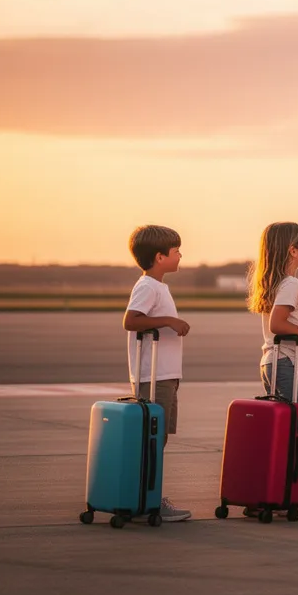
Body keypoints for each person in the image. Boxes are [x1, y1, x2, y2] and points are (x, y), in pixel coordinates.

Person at [246, 221, 298, 516]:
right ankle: (287, 495)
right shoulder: (291, 284)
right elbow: (278, 324)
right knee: (294, 431)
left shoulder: (279, 283)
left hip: (276, 361)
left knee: (281, 430)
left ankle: (269, 493)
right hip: (291, 364)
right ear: (292, 250)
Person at [121, 224, 193, 523]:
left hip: (166, 375)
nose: (180, 255)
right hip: (154, 377)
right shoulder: (148, 286)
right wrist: (168, 321)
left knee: (158, 438)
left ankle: (147, 495)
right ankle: (147, 499)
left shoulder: (158, 286)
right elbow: (131, 321)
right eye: (176, 251)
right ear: (160, 257)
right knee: (152, 439)